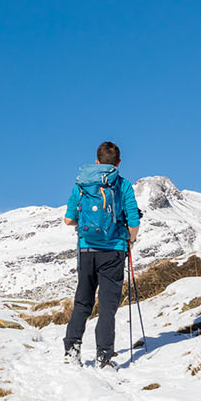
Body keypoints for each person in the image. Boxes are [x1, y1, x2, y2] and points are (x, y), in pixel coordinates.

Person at [61, 140, 140, 368]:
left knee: (82, 302)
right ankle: (104, 357)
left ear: (97, 161)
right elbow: (133, 220)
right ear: (118, 163)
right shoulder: (123, 185)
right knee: (107, 307)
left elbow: (68, 219)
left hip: (86, 249)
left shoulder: (82, 184)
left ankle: (71, 352)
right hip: (113, 250)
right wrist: (130, 240)